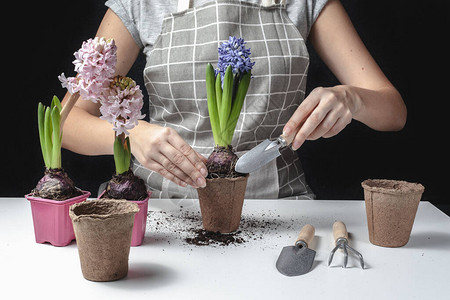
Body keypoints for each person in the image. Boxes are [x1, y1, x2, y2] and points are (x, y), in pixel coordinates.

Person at [61, 0, 406, 199]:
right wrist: (130, 135)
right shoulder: (144, 3)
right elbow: (67, 123)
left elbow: (393, 112)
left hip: (281, 210)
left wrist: (352, 98)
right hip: (161, 210)